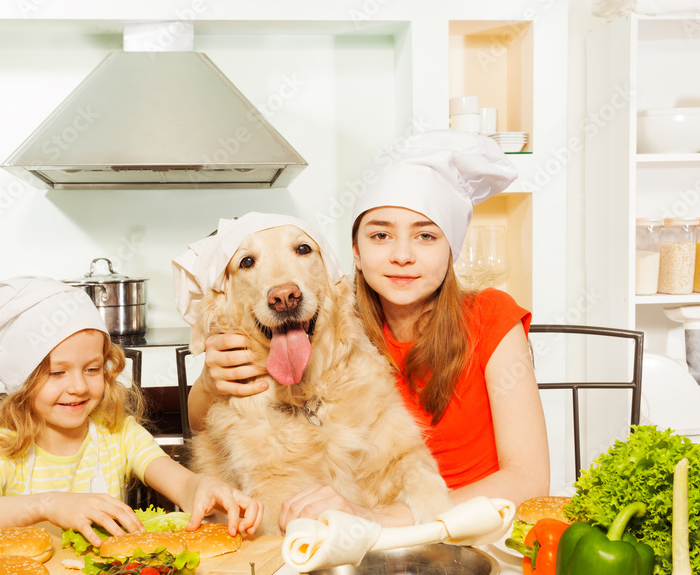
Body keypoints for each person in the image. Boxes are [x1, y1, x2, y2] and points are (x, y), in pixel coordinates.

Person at [187, 130, 550, 531]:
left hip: (476, 526)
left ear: (452, 249)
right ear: (354, 254)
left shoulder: (489, 316)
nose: (401, 255)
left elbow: (530, 480)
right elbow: (212, 427)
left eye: (426, 236)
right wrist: (208, 383)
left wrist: (386, 518)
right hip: (376, 540)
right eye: (380, 235)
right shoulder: (340, 325)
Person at [0, 276, 262, 545]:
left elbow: (182, 485)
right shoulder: (4, 449)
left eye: (92, 369)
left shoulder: (119, 434)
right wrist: (49, 504)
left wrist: (202, 488)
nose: (78, 386)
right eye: (57, 372)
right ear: (22, 381)